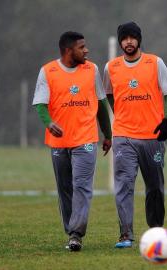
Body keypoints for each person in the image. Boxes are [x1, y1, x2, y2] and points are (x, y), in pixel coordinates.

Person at [32, 31, 112, 251]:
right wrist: (49, 123)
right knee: (65, 188)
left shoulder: (92, 69)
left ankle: (76, 234)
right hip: (59, 142)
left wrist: (108, 134)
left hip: (86, 139)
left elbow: (101, 103)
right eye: (82, 47)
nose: (86, 50)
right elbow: (40, 103)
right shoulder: (48, 71)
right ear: (68, 51)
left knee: (82, 185)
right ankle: (70, 230)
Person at [103, 21, 167, 248]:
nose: (128, 42)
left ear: (139, 39)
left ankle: (155, 231)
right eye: (124, 38)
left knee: (154, 186)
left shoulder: (155, 63)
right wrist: (120, 115)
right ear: (120, 42)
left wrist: (166, 120)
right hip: (123, 136)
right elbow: (109, 94)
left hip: (152, 137)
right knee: (124, 184)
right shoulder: (111, 67)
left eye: (132, 37)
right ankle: (125, 234)